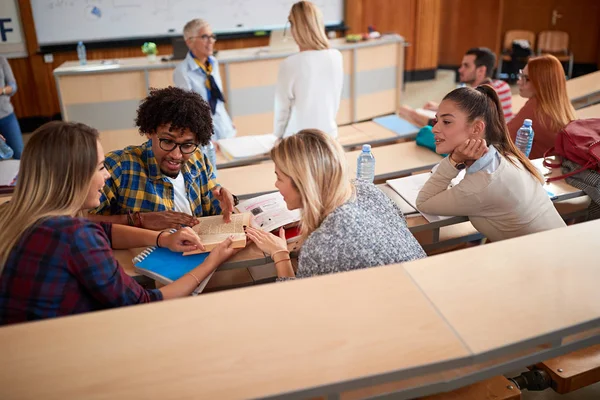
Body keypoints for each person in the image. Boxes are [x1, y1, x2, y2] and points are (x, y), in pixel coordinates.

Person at [0, 121, 239, 325]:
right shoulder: (76, 235)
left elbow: (106, 231)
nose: (107, 175)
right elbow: (146, 302)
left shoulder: (10, 213)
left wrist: (162, 239)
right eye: (101, 167)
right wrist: (211, 261)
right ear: (74, 176)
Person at [244, 129, 426, 280]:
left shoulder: (322, 243)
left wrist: (280, 254)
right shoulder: (366, 188)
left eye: (279, 178)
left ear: (303, 184)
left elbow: (299, 304)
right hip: (426, 281)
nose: (276, 185)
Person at [416, 86, 565, 242]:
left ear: (477, 128)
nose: (434, 129)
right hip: (560, 247)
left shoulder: (481, 185)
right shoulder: (507, 154)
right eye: (436, 120)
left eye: (446, 122)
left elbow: (424, 202)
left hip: (546, 262)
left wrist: (454, 160)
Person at [88, 87, 237, 230]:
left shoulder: (197, 159)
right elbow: (79, 221)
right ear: (149, 131)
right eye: (167, 141)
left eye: (187, 145)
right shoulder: (119, 167)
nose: (176, 155)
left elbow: (213, 205)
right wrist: (140, 220)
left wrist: (224, 201)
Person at [273, 1, 343, 138]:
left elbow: (282, 112)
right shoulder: (336, 56)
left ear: (295, 28)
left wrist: (277, 139)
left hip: (299, 140)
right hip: (329, 135)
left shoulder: (289, 64)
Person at [399, 47, 513, 126]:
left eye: (466, 66)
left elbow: (445, 126)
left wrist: (412, 113)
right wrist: (438, 107)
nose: (460, 69)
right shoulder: (503, 86)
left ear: (481, 70)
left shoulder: (476, 98)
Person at [173, 19, 236, 141]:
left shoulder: (213, 63)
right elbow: (188, 113)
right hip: (206, 137)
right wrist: (208, 141)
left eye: (212, 36)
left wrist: (227, 121)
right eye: (204, 37)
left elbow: (217, 98)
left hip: (225, 129)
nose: (211, 41)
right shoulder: (182, 71)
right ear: (189, 42)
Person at [508, 55, 576, 159]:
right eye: (521, 75)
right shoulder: (563, 108)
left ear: (541, 82)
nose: (519, 81)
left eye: (526, 78)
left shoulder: (535, 108)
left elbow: (501, 138)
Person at [0, 56, 23, 159]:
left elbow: (13, 86)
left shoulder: (1, 59)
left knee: (20, 153)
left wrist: (2, 90)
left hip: (6, 115)